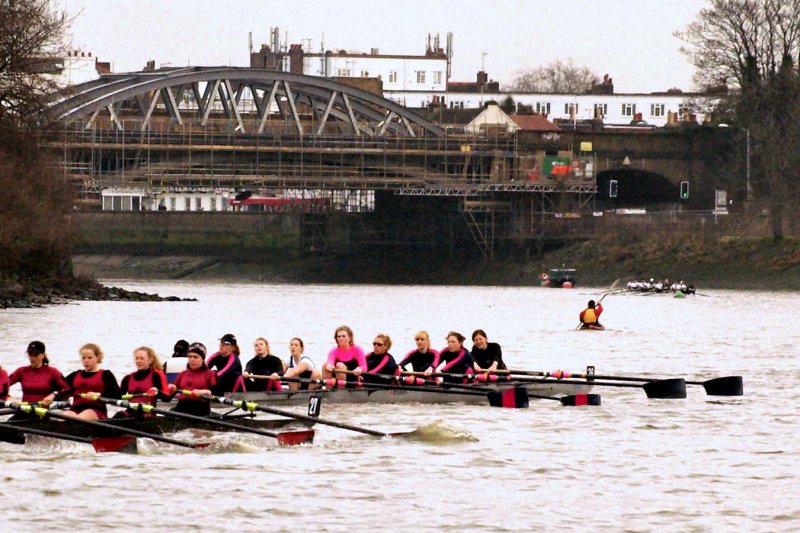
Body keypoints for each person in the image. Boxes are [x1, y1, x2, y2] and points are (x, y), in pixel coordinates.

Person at [61, 343, 121, 420]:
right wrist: (52, 395)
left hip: (96, 410)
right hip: (76, 409)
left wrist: (98, 395)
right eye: (83, 358)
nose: (86, 361)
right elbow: (59, 388)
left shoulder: (106, 375)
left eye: (89, 358)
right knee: (65, 416)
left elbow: (117, 395)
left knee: (80, 417)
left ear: (97, 358)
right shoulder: (75, 375)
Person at [8, 341, 70, 406]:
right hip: (25, 409)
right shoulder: (21, 371)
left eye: (35, 354)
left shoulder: (52, 372)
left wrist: (54, 394)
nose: (32, 358)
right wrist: (8, 397)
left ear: (43, 355)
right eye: (30, 354)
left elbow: (69, 389)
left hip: (45, 411)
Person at [116, 346, 172, 418]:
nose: (138, 361)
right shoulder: (128, 378)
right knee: (118, 415)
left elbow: (167, 398)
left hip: (147, 414)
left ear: (150, 360)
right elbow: (117, 397)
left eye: (141, 358)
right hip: (130, 412)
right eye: (137, 358)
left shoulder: (156, 375)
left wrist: (157, 391)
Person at [170, 342, 217, 416]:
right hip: (182, 407)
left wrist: (204, 392)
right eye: (190, 356)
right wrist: (170, 388)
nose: (192, 360)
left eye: (195, 357)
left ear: (203, 358)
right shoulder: (182, 374)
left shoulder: (210, 374)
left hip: (200, 408)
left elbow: (217, 394)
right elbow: (167, 398)